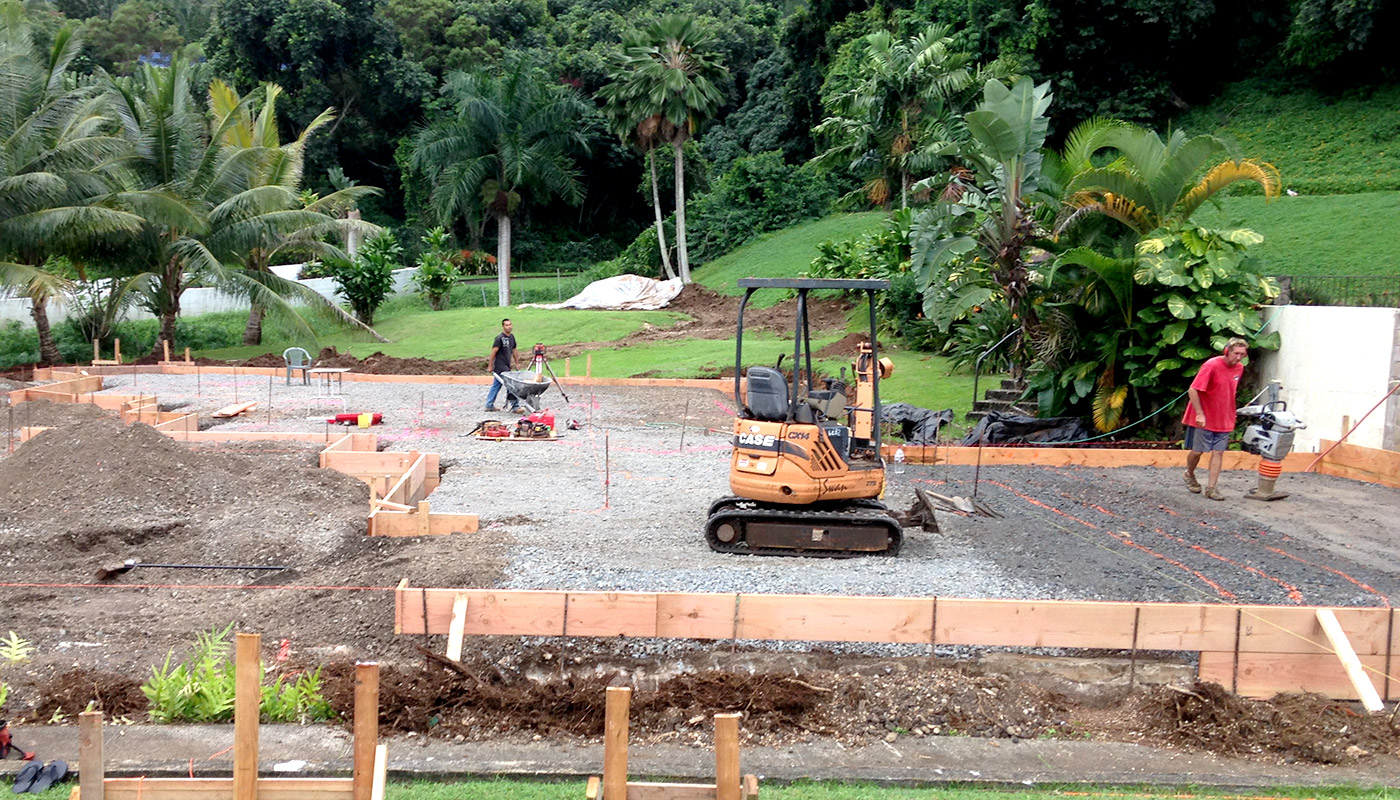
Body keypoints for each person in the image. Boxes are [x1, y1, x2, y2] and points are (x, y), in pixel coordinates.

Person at [1182, 337, 1248, 501]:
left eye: (1242, 354)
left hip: (1224, 418)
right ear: (1227, 351)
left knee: (1218, 452)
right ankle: (1189, 474)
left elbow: (1228, 391)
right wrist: (1199, 413)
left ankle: (1212, 488)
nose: (1238, 358)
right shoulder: (1211, 365)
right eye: (1236, 353)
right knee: (1197, 451)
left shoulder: (1239, 368)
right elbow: (1193, 390)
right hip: (1204, 417)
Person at [485, 318, 520, 413]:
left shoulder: (512, 337)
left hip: (507, 365)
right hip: (500, 366)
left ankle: (489, 404)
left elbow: (514, 350)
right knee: (510, 385)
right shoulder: (499, 338)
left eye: (510, 324)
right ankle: (515, 406)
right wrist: (490, 365)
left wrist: (517, 363)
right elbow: (493, 352)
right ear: (503, 326)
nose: (509, 326)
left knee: (496, 385)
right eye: (507, 325)